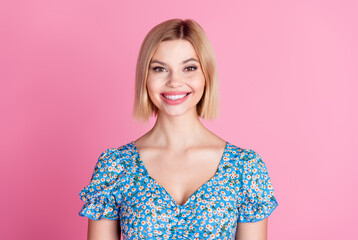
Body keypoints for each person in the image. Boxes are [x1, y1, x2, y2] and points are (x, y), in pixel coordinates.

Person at [78, 18, 278, 240]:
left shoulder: (246, 168)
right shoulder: (114, 166)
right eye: (160, 68)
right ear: (145, 77)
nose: (174, 81)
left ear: (206, 76)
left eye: (189, 68)